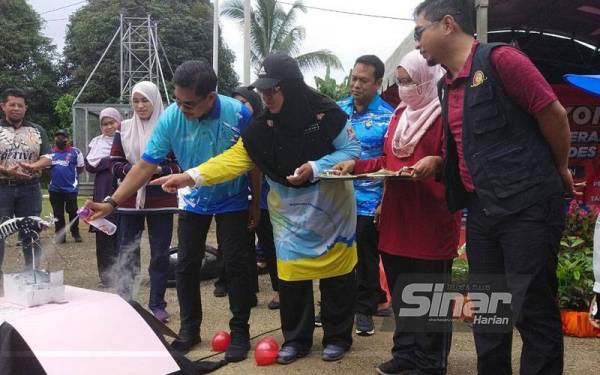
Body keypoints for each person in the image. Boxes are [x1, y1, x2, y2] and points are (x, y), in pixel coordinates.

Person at [145, 54, 362, 364]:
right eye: (262, 91)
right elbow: (235, 159)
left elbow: (352, 150)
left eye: (273, 90)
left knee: (337, 274)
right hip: (289, 216)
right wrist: (190, 176)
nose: (266, 97)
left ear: (291, 87)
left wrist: (316, 166)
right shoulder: (263, 128)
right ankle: (297, 339)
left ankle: (337, 337)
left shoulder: (327, 115)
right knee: (291, 277)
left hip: (331, 208)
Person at [412, 1, 573, 374]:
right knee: (489, 310)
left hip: (528, 206)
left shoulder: (501, 61)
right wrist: (441, 163)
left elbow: (554, 114)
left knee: (532, 309)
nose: (417, 42)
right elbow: (467, 144)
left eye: (420, 31)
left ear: (448, 24)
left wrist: (560, 166)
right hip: (482, 210)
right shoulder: (444, 85)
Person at [85, 61, 256, 362]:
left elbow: (252, 159)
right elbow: (144, 166)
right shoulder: (172, 118)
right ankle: (190, 330)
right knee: (187, 265)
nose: (181, 109)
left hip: (233, 199)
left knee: (237, 265)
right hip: (192, 199)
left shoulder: (239, 113)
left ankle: (240, 331)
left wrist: (256, 203)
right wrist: (111, 202)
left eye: (189, 104)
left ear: (210, 98)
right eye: (177, 101)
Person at [335, 50, 461, 375]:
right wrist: (357, 165)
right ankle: (405, 353)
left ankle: (431, 362)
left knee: (429, 297)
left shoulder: (445, 116)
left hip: (431, 219)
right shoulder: (400, 115)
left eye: (410, 82)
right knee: (403, 292)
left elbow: (461, 162)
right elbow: (386, 163)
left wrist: (436, 164)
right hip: (396, 219)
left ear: (427, 79)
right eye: (401, 82)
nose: (404, 89)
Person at [110, 81, 180, 323]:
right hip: (129, 199)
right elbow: (114, 164)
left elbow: (179, 165)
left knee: (160, 254)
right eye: (135, 101)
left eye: (145, 100)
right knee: (127, 251)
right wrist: (137, 172)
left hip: (161, 198)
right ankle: (125, 301)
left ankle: (157, 304)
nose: (140, 106)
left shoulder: (169, 127)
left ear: (155, 101)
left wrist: (157, 169)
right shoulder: (124, 128)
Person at [337, 55, 393, 336]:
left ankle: (365, 309)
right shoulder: (337, 111)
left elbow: (390, 160)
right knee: (338, 252)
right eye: (353, 78)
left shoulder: (388, 115)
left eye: (363, 80)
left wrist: (385, 200)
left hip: (370, 198)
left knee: (365, 255)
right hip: (337, 196)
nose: (356, 85)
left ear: (378, 83)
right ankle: (337, 306)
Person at [232, 86, 280, 309]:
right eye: (235, 102)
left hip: (266, 197)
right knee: (242, 247)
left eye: (244, 102)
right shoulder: (231, 130)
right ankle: (248, 291)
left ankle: (280, 289)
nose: (239, 107)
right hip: (238, 196)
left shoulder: (265, 126)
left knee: (270, 244)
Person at [0, 88, 51, 271]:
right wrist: (6, 170)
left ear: (25, 108)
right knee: (0, 232)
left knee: (31, 232)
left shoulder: (37, 130)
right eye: (11, 104)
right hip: (2, 188)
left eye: (20, 105)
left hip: (30, 188)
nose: (16, 108)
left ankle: (33, 274)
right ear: (3, 106)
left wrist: (34, 166)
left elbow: (48, 157)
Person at [85, 108, 121, 287]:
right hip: (103, 187)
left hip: (123, 186)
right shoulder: (96, 143)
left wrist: (110, 161)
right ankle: (106, 277)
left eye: (112, 122)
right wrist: (112, 161)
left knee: (124, 230)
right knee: (104, 228)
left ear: (119, 122)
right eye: (104, 124)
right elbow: (90, 165)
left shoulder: (126, 138)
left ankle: (125, 273)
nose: (108, 127)